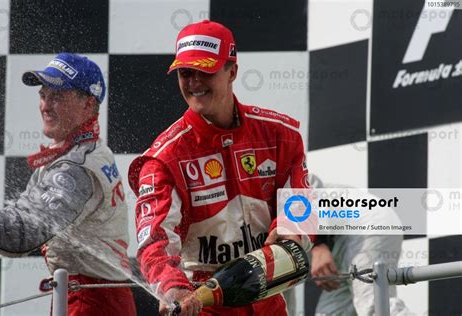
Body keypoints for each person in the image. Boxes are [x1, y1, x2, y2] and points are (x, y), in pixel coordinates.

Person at [128, 20, 313, 316]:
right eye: (186, 73)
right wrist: (172, 286)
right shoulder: (164, 158)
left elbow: (302, 201)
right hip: (202, 301)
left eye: (205, 71)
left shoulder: (280, 135)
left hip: (268, 297)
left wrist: (290, 228)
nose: (194, 82)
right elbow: (154, 242)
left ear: (233, 72)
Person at [0, 53, 136, 315]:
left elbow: (24, 233)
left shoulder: (76, 167)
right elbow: (22, 216)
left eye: (57, 96)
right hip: (84, 295)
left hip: (94, 303)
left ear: (88, 104)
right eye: (43, 95)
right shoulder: (76, 153)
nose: (45, 105)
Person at [308, 174, 411, 316]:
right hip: (339, 243)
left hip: (364, 224)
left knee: (374, 306)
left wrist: (318, 244)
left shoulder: (273, 170)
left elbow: (310, 186)